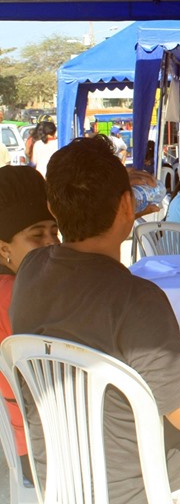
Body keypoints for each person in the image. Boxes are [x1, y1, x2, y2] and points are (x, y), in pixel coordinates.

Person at [11, 137, 180, 502]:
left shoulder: (31, 270)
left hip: (59, 478)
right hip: (142, 486)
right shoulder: (134, 299)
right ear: (128, 206)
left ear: (52, 208)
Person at [0, 166, 59, 478]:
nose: (51, 242)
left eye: (55, 232)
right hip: (51, 449)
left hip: (27, 445)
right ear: (4, 249)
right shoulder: (17, 295)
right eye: (37, 235)